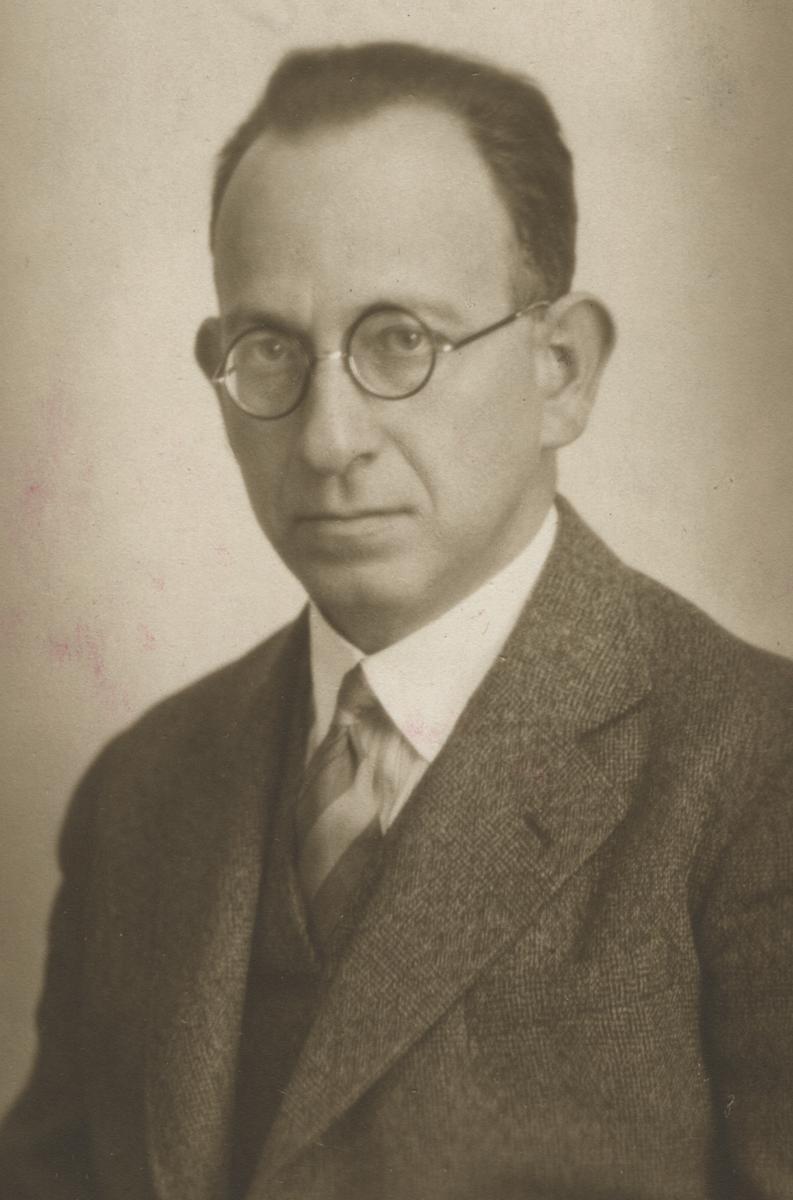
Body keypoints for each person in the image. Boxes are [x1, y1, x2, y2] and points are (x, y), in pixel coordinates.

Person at [1, 40, 791, 1200]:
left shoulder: (758, 770)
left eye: (400, 340)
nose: (327, 440)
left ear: (560, 371)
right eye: (269, 350)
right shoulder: (141, 792)